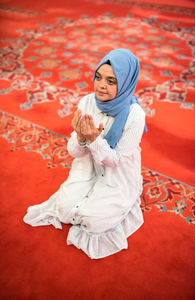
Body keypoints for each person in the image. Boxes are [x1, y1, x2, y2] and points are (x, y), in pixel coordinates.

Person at [24, 49, 146, 259]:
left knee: (94, 220)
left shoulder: (136, 115)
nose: (101, 85)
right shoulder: (87, 102)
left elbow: (114, 161)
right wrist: (80, 137)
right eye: (98, 77)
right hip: (87, 169)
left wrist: (94, 140)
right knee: (64, 209)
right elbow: (74, 152)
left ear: (126, 82)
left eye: (111, 81)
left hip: (116, 175)